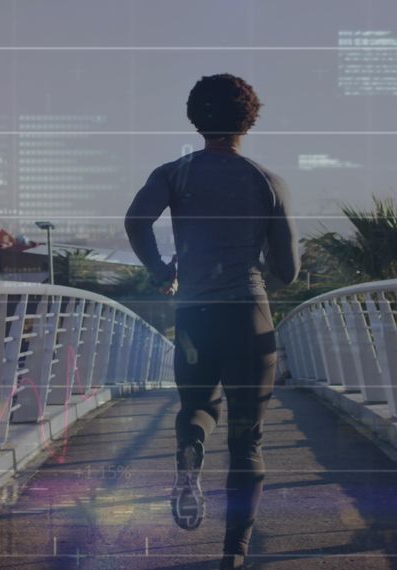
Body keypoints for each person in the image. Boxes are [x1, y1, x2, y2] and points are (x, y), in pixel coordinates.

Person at [124, 73, 300, 570]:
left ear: (195, 118)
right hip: (248, 315)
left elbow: (136, 222)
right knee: (248, 439)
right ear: (249, 119)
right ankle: (233, 556)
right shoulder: (267, 182)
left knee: (198, 406)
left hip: (195, 315)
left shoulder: (173, 174)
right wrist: (259, 275)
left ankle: (190, 449)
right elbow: (287, 271)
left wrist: (161, 271)